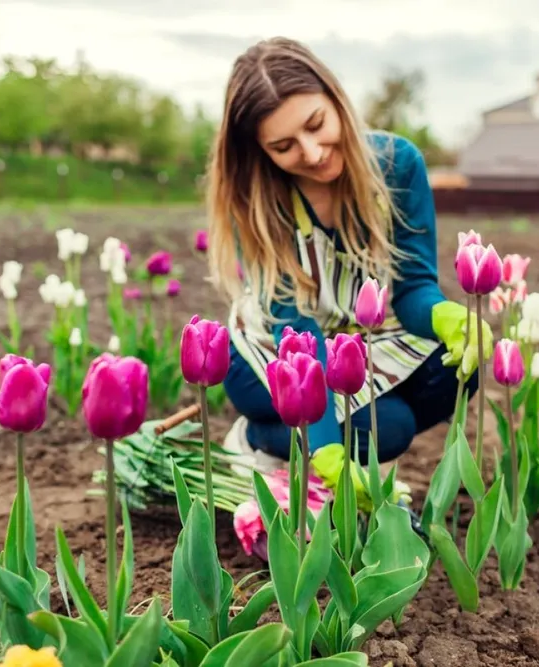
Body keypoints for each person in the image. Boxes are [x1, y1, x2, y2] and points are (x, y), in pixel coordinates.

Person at [205, 37, 491, 493]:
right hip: (272, 353)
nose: (313, 152)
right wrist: (325, 452)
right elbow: (295, 331)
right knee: (389, 427)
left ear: (335, 98)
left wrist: (446, 315)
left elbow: (413, 286)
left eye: (316, 124)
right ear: (262, 152)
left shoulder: (396, 167)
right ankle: (257, 436)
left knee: (456, 367)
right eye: (284, 146)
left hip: (352, 340)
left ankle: (320, 434)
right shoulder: (259, 200)